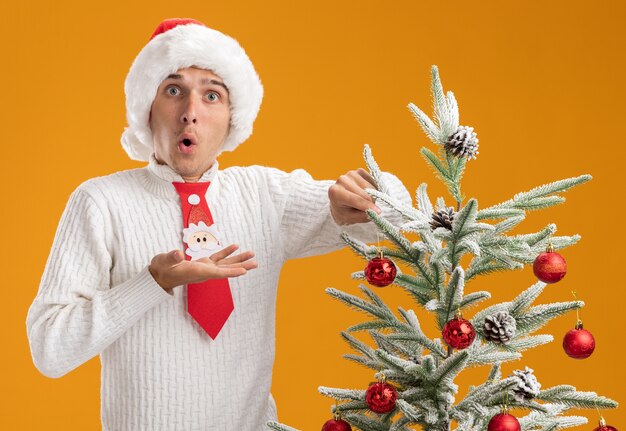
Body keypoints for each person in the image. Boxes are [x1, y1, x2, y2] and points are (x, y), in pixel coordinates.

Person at [26, 18, 411, 430]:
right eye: (173, 91)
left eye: (212, 95)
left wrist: (363, 194)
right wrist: (150, 283)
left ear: (232, 118)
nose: (190, 113)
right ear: (147, 109)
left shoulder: (266, 194)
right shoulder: (100, 203)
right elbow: (50, 349)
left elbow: (401, 219)